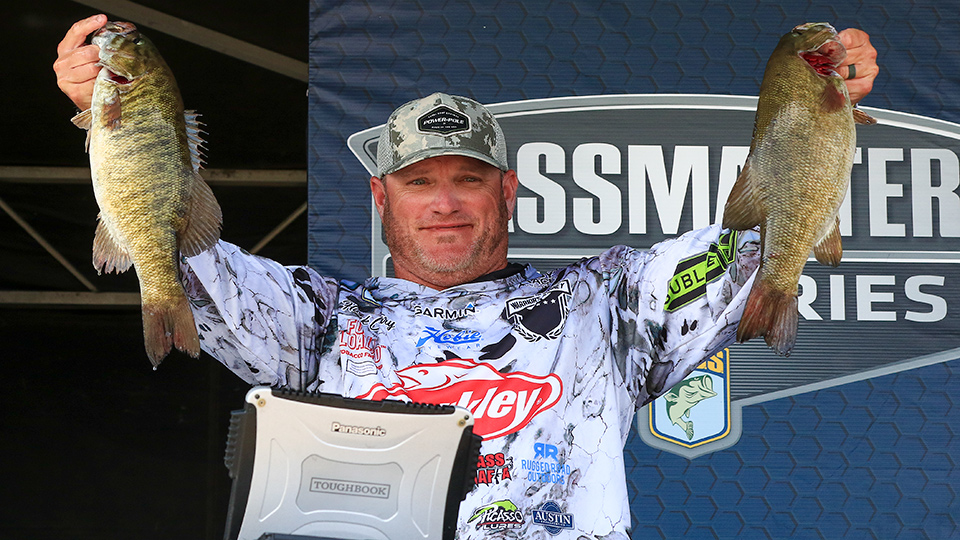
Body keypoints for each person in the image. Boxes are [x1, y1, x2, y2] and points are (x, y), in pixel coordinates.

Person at [55, 14, 879, 539]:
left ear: (507, 192)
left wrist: (815, 111)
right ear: (381, 198)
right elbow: (184, 259)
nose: (445, 203)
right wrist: (112, 120)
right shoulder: (320, 318)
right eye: (419, 182)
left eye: (468, 179)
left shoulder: (605, 304)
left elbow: (761, 239)